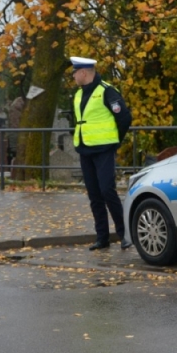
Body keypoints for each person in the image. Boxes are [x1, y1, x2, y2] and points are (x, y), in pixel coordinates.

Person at [70, 56, 134, 251]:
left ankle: (125, 234)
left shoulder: (107, 91)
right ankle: (102, 237)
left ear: (83, 72)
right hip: (85, 149)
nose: (73, 76)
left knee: (108, 191)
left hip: (104, 150)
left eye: (74, 73)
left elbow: (124, 118)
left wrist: (115, 142)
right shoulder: (79, 94)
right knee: (94, 195)